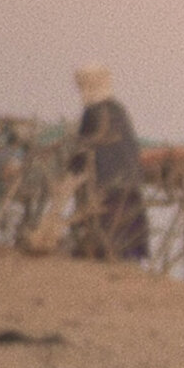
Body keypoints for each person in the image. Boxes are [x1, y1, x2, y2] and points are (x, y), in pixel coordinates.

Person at [70, 65, 148, 262]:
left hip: (107, 180)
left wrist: (71, 169)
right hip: (129, 177)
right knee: (127, 223)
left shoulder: (93, 112)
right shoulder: (117, 109)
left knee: (110, 222)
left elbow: (83, 147)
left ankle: (109, 256)